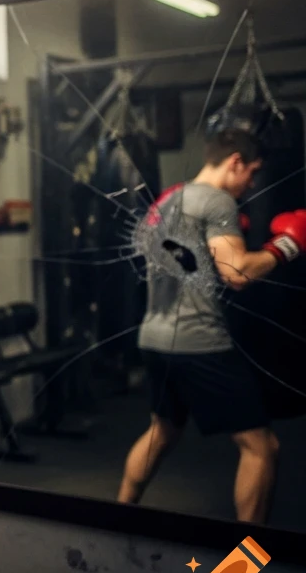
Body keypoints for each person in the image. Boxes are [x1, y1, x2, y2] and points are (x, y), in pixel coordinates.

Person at [116, 127, 304, 524]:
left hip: (153, 336)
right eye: (251, 173)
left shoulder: (169, 199)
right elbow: (236, 272)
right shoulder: (217, 201)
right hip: (199, 342)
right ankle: (248, 555)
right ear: (235, 162)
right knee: (262, 447)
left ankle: (116, 519)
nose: (252, 184)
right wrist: (288, 244)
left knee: (161, 432)